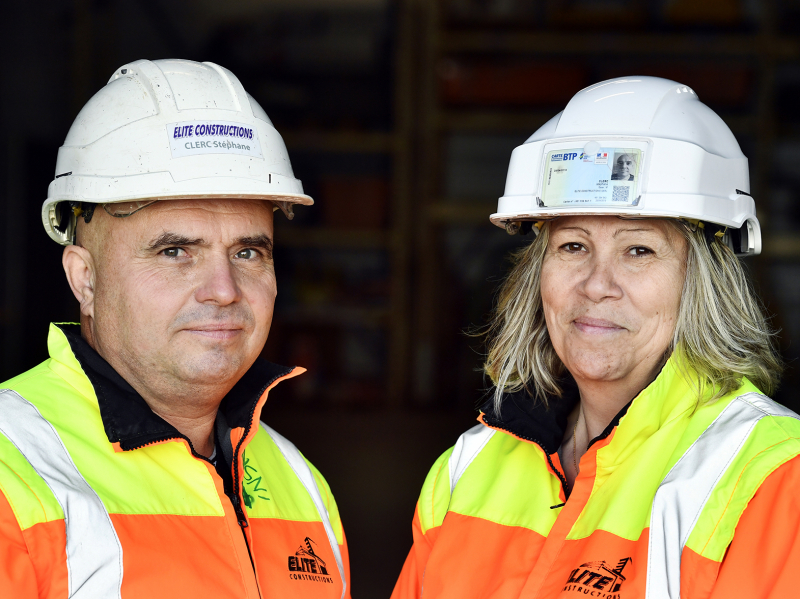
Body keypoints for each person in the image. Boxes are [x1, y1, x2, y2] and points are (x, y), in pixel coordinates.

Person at [391, 77, 800, 598]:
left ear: (703, 282)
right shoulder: (466, 469)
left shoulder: (771, 476)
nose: (596, 285)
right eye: (573, 246)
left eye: (639, 250)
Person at [0, 59, 350, 598]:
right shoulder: (12, 465)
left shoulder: (299, 483)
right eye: (175, 251)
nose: (224, 289)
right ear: (84, 277)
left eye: (249, 251)